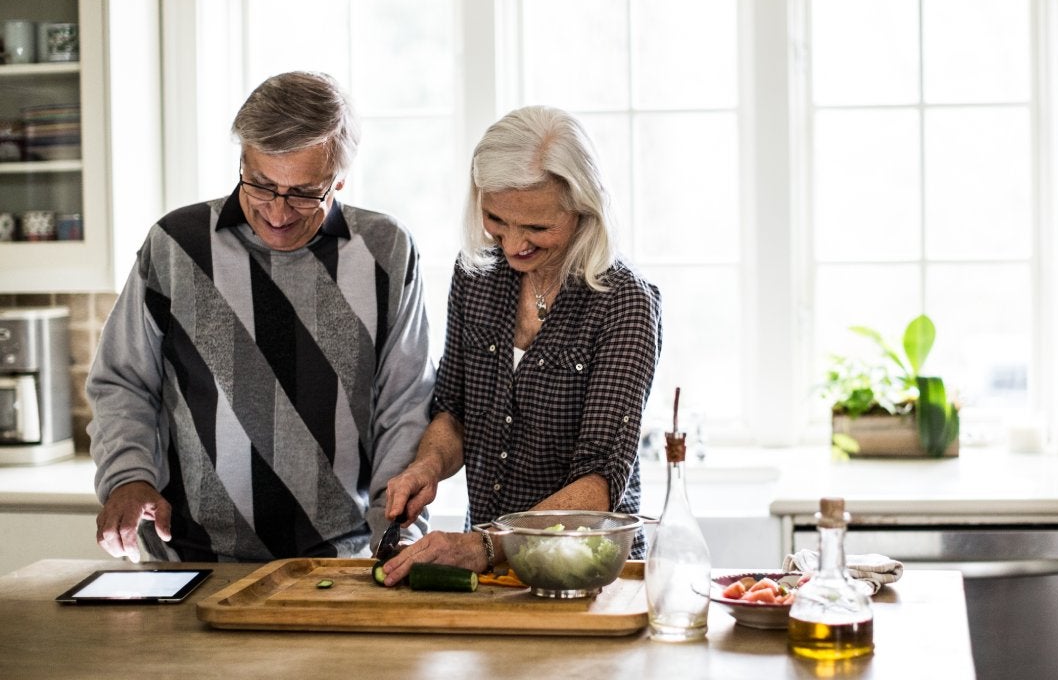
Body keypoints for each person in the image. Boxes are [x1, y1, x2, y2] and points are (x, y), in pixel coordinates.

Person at [88, 71, 434, 563]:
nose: (278, 212)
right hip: (190, 558)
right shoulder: (175, 245)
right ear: (242, 162)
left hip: (339, 561)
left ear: (339, 179)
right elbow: (122, 381)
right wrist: (127, 478)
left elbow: (404, 404)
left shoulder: (386, 251)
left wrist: (396, 530)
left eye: (304, 192)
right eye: (261, 185)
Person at [378, 106, 662, 585]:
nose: (512, 245)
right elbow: (453, 413)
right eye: (496, 219)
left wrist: (488, 544)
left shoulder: (624, 303)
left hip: (589, 573)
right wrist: (428, 465)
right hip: (490, 571)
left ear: (584, 209)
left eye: (536, 228)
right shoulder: (476, 276)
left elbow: (598, 482)